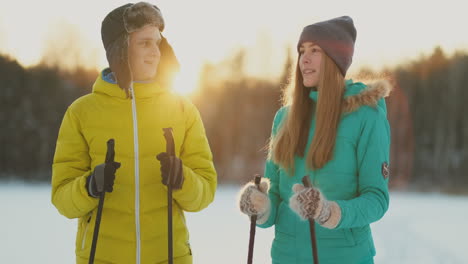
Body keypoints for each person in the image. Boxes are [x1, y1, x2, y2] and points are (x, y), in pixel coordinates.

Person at [51, 2, 217, 263]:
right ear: (120, 49)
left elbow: (205, 192)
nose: (155, 52)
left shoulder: (182, 110)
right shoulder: (81, 112)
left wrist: (183, 179)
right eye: (144, 43)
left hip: (169, 257)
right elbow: (62, 199)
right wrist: (89, 186)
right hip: (101, 257)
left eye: (158, 42)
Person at [238, 16, 392, 263]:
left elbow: (376, 199)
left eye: (315, 50)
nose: (304, 59)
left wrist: (329, 212)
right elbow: (276, 194)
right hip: (286, 257)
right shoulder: (284, 118)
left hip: (345, 257)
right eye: (301, 51)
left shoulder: (366, 117)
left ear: (335, 59)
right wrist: (262, 207)